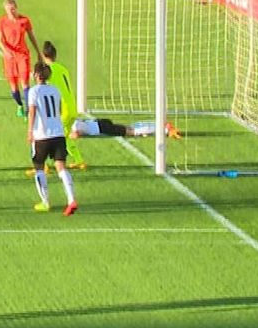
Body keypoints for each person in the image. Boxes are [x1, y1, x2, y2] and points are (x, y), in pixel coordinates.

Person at [26, 62, 78, 216]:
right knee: (61, 167)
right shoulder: (55, 90)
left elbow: (32, 112)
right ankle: (71, 199)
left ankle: (45, 202)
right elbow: (59, 110)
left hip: (41, 135)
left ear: (36, 75)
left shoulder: (34, 91)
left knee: (39, 167)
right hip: (58, 133)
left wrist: (30, 131)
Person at [0, 0, 42, 118]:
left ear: (16, 7)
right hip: (9, 57)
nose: (12, 12)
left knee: (25, 83)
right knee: (13, 86)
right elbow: (0, 40)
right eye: (9, 10)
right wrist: (6, 51)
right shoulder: (1, 22)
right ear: (5, 9)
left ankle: (28, 111)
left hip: (22, 55)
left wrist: (38, 52)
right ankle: (19, 104)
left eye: (13, 9)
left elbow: (32, 36)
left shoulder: (24, 21)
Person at [41, 41, 84, 170]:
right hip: (72, 108)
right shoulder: (63, 68)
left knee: (49, 135)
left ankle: (44, 165)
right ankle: (79, 160)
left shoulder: (48, 71)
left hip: (63, 109)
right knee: (65, 135)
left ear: (43, 55)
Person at [69, 117, 181, 139]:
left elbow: (76, 134)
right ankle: (159, 124)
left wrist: (70, 135)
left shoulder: (71, 125)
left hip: (102, 128)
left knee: (132, 131)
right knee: (130, 128)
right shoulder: (69, 120)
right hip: (100, 123)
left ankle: (165, 129)